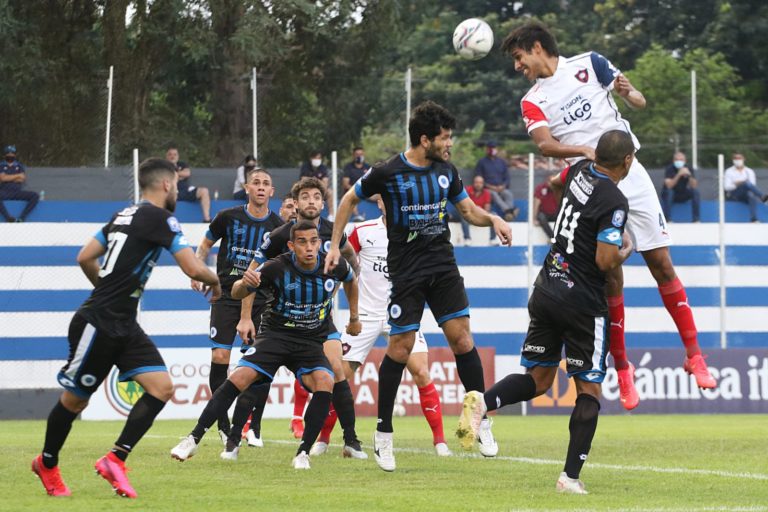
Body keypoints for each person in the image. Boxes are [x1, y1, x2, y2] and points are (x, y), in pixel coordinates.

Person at [502, 21, 716, 411]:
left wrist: (631, 93)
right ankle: (622, 367)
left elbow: (638, 99)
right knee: (609, 275)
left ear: (536, 47)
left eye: (519, 58)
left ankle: (695, 355)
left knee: (662, 265)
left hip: (630, 172)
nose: (518, 67)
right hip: (592, 182)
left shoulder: (590, 64)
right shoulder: (532, 99)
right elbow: (547, 144)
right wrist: (583, 152)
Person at [326, 100, 513, 472]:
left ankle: (482, 420)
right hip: (407, 273)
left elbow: (468, 211)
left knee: (462, 339)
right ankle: (383, 435)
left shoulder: (447, 171)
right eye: (445, 138)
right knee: (400, 347)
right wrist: (334, 244)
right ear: (424, 139)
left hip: (443, 268)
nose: (450, 144)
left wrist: (492, 218)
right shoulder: (387, 172)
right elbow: (349, 199)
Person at [458, 130, 635, 495]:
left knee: (539, 380)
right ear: (628, 161)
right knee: (589, 388)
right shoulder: (614, 200)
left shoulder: (581, 171)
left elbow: (554, 184)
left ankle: (483, 403)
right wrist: (626, 249)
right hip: (582, 304)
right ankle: (569, 478)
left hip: (548, 286)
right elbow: (605, 259)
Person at [32, 158, 221, 498]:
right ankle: (47, 463)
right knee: (75, 403)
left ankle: (115, 459)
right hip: (99, 322)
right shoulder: (161, 217)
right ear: (166, 185)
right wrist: (216, 281)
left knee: (161, 387)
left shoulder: (123, 214)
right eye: (176, 184)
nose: (177, 190)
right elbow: (193, 268)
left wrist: (105, 289)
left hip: (122, 323)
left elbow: (85, 256)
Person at [170, 221, 361, 469]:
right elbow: (239, 292)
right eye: (302, 242)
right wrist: (244, 283)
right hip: (275, 336)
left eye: (313, 241)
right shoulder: (276, 266)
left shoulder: (332, 264)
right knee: (241, 377)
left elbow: (351, 280)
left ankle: (303, 452)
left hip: (310, 341)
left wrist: (354, 317)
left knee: (326, 381)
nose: (309, 247)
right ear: (292, 245)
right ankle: (193, 438)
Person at [312, 196, 452, 457]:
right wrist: (331, 300)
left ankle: (440, 441)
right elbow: (343, 265)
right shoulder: (363, 232)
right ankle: (323, 438)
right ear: (380, 203)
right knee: (336, 375)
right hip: (364, 314)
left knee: (421, 371)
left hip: (401, 315)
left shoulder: (415, 232)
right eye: (388, 196)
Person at [235, 177, 364, 457]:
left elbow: (352, 263)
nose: (311, 202)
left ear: (323, 202)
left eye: (316, 197)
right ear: (296, 202)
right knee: (257, 373)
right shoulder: (281, 236)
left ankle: (351, 440)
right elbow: (252, 274)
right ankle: (244, 430)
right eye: (305, 197)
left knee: (337, 370)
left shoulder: (334, 231)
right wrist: (245, 318)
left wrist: (338, 287)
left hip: (318, 318)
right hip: (278, 319)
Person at [192, 167, 282, 446]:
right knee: (220, 357)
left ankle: (249, 426)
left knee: (256, 364)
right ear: (246, 188)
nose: (260, 187)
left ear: (271, 192)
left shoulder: (277, 227)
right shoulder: (228, 217)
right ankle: (222, 421)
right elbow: (205, 243)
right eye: (255, 182)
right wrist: (198, 269)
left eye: (265, 184)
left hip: (259, 299)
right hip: (227, 294)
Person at [474, 141, 518, 221]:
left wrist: (503, 186)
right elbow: (479, 178)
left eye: (493, 148)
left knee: (508, 193)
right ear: (487, 149)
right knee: (493, 194)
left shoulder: (502, 162)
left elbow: (507, 178)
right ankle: (509, 211)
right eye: (490, 148)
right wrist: (491, 187)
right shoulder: (481, 162)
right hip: (488, 189)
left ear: (496, 149)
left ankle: (508, 214)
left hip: (501, 188)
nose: (492, 150)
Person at [166, 146, 211, 222]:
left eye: (175, 154)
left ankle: (206, 219)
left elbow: (187, 173)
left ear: (178, 156)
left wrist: (175, 174)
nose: (172, 156)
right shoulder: (163, 165)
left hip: (185, 191)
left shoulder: (182, 164)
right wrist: (179, 175)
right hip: (170, 192)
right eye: (170, 154)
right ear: (167, 156)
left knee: (204, 191)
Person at [0, 145, 39, 222]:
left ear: (15, 154)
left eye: (12, 153)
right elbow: (2, 178)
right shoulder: (1, 165)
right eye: (8, 153)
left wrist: (7, 177)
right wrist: (17, 176)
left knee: (35, 195)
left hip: (17, 192)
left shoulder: (19, 166)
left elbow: (22, 179)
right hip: (4, 192)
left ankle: (22, 217)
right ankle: (8, 217)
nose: (10, 155)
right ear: (5, 155)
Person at [724, 153, 767, 223]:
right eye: (735, 158)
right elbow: (727, 187)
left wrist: (738, 182)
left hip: (745, 194)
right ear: (733, 160)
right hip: (733, 194)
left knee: (751, 196)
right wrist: (739, 184)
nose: (737, 160)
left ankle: (754, 219)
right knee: (746, 184)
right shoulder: (729, 171)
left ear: (743, 159)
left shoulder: (749, 171)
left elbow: (752, 186)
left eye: (739, 158)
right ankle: (762, 197)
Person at [661, 151, 701, 222]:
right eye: (677, 159)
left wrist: (689, 176)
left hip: (682, 193)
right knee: (670, 192)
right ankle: (667, 219)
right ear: (673, 161)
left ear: (685, 161)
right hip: (670, 194)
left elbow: (694, 186)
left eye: (681, 160)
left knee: (695, 192)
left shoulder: (688, 168)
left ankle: (696, 219)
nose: (679, 161)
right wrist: (678, 175)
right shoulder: (669, 169)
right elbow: (669, 186)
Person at [460, 175, 498, 246]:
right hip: (469, 213)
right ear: (473, 183)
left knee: (494, 215)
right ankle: (467, 239)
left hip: (481, 214)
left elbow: (487, 208)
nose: (478, 184)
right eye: (477, 182)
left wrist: (479, 211)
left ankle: (493, 239)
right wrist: (475, 209)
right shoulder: (467, 190)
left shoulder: (487, 193)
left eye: (480, 183)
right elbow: (464, 205)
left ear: (483, 184)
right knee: (463, 216)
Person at [299, 150, 334, 217]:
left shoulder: (323, 168)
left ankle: (331, 215)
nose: (317, 160)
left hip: (320, 189)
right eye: (315, 158)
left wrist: (313, 180)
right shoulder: (305, 166)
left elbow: (325, 183)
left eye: (319, 158)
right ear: (311, 158)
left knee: (330, 192)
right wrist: (317, 180)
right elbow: (303, 180)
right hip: (307, 189)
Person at [342, 147, 370, 222]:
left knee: (380, 195)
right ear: (353, 155)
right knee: (352, 197)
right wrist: (357, 189)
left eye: (361, 154)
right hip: (353, 191)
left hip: (366, 191)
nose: (359, 156)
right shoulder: (348, 167)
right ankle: (358, 216)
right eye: (357, 154)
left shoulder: (368, 167)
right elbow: (345, 184)